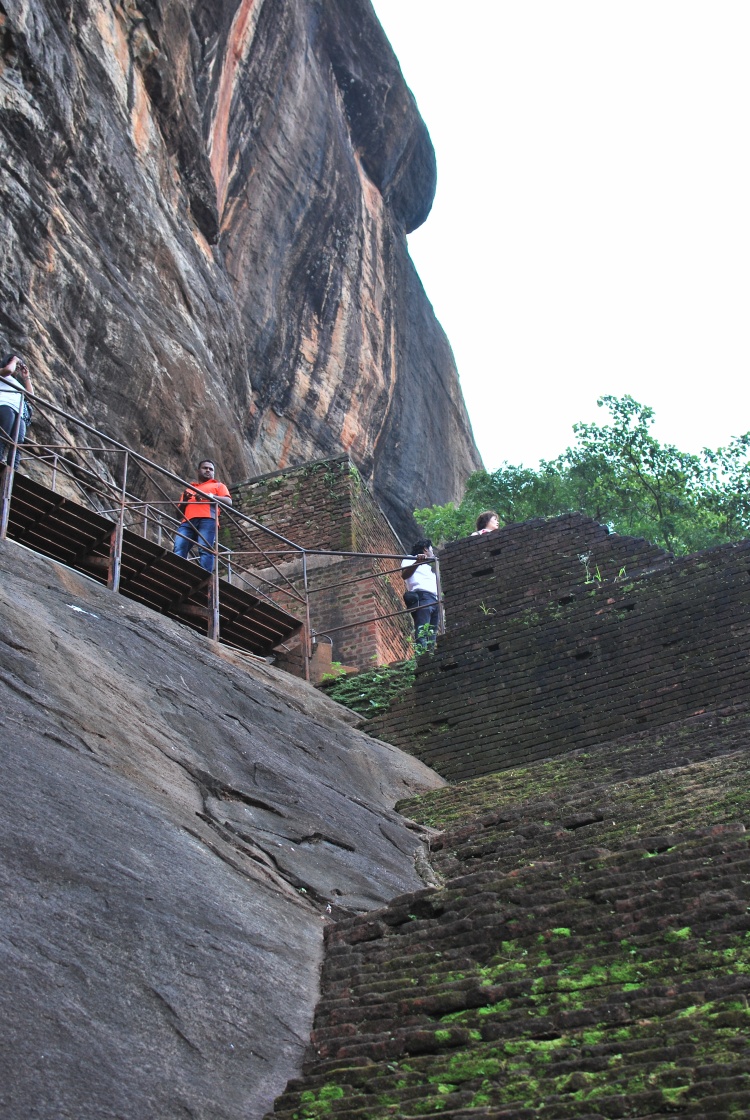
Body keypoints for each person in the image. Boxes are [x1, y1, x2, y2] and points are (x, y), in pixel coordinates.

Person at [173, 460, 232, 573]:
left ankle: (205, 575)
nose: (208, 470)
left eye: (211, 469)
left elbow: (228, 502)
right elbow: (178, 514)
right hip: (187, 521)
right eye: (205, 468)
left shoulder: (218, 485)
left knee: (205, 548)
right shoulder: (189, 489)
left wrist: (210, 496)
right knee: (179, 547)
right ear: (198, 471)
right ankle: (177, 572)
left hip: (208, 519)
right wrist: (185, 500)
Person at [401, 538, 440, 651]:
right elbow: (404, 575)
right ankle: (421, 656)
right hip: (423, 597)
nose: (433, 553)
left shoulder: (428, 568)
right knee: (422, 631)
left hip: (435, 600)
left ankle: (431, 655)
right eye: (432, 550)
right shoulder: (409, 559)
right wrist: (417, 562)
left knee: (432, 636)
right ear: (425, 549)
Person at [0, 353, 34, 470]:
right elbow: (8, 370)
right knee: (3, 436)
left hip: (19, 414)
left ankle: (12, 470)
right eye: (17, 365)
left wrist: (26, 377)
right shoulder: (3, 373)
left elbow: (31, 398)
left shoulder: (18, 384)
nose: (18, 367)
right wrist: (14, 360)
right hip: (5, 406)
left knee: (17, 443)